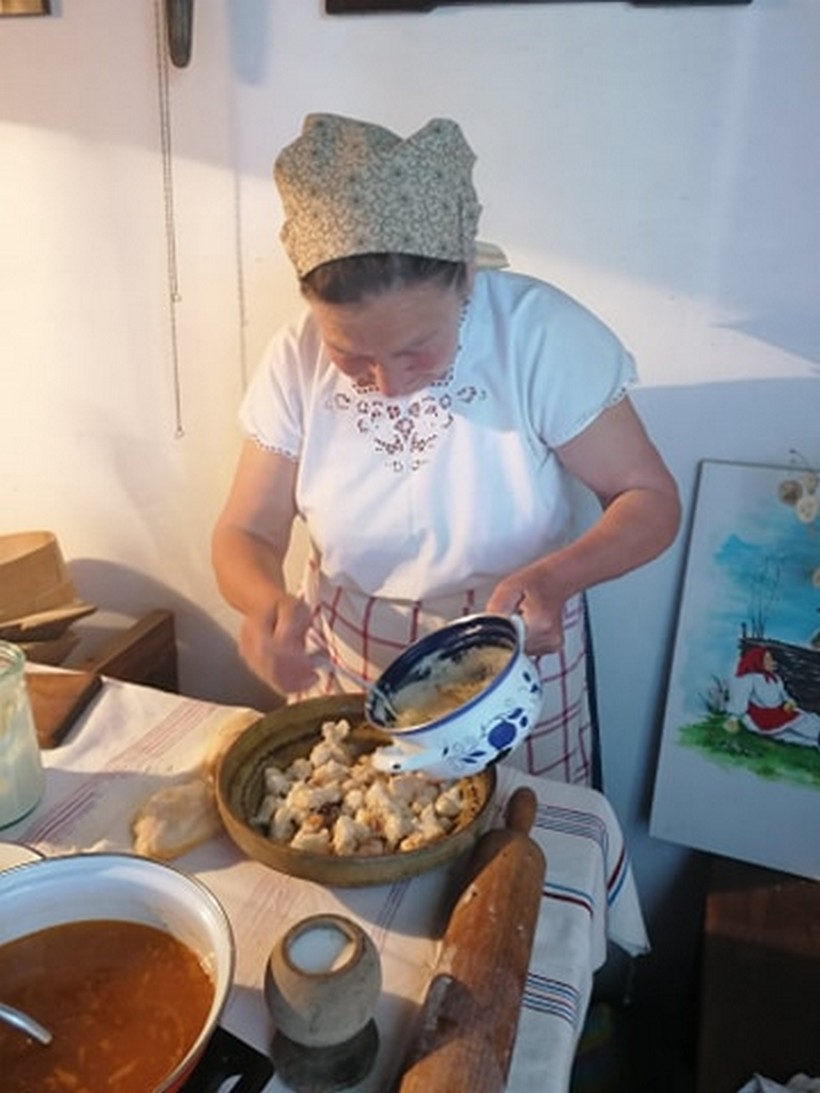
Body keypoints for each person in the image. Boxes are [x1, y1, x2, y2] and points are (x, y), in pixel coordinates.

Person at [212, 113, 681, 786]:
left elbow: (650, 499)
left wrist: (557, 578)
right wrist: (265, 605)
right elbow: (246, 530)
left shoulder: (539, 334)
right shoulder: (295, 356)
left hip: (512, 657)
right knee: (364, 829)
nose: (388, 383)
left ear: (465, 275)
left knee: (521, 837)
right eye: (352, 355)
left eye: (416, 350)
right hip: (348, 659)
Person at [726, 645, 820, 747]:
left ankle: (815, 742)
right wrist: (734, 719)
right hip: (762, 717)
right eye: (768, 659)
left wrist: (789, 701)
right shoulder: (749, 679)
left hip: (777, 712)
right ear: (757, 661)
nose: (772, 662)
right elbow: (740, 700)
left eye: (771, 659)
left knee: (803, 721)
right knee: (801, 720)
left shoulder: (775, 678)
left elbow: (783, 695)